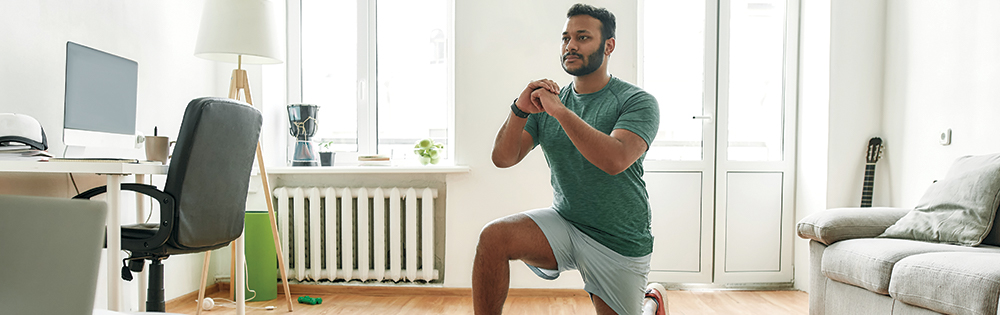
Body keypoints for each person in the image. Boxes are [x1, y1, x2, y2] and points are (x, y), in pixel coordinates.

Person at [473, 3, 667, 315]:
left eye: (583, 37)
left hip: (619, 240)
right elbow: (503, 158)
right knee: (493, 237)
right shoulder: (547, 105)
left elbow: (615, 159)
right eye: (566, 38)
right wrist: (520, 109)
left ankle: (650, 303)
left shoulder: (636, 102)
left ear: (609, 46)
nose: (571, 45)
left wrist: (560, 111)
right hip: (566, 223)